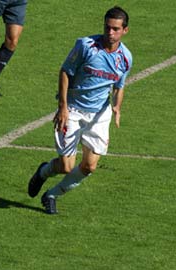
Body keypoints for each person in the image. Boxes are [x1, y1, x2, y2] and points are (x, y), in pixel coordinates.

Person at [28, 6, 133, 214]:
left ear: (124, 31)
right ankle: (44, 171)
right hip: (73, 109)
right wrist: (63, 107)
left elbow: (119, 86)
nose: (110, 33)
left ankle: (52, 195)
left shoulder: (126, 58)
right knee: (66, 166)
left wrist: (117, 107)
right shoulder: (85, 46)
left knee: (89, 167)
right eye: (107, 27)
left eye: (115, 29)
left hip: (100, 114)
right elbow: (65, 71)